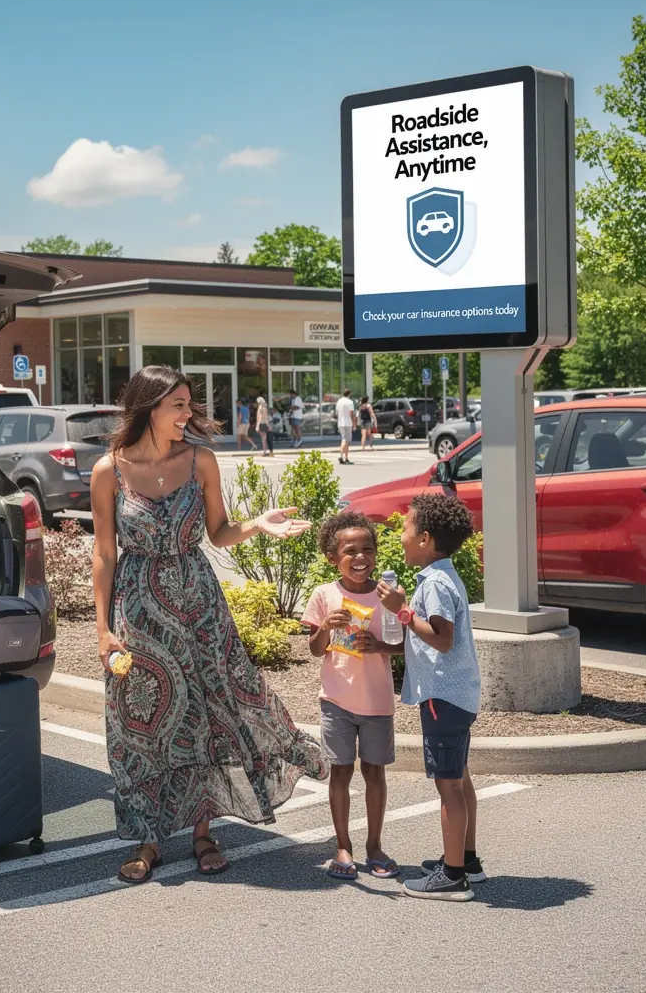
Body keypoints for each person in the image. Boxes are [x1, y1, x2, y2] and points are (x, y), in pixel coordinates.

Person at [90, 365, 327, 884]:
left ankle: (203, 830)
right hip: (137, 606)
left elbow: (218, 533)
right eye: (178, 404)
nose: (188, 413)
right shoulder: (109, 470)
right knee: (138, 721)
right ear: (149, 407)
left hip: (199, 606)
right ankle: (146, 837)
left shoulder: (201, 461)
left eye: (189, 404)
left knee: (203, 712)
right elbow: (104, 553)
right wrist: (104, 630)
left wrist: (258, 525)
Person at [377, 494, 483, 902]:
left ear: (423, 538)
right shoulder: (441, 576)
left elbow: (441, 639)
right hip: (457, 694)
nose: (399, 537)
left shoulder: (434, 584)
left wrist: (402, 611)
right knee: (461, 779)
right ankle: (465, 858)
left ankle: (453, 877)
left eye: (404, 529)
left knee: (448, 788)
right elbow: (432, 639)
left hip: (443, 697)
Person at [302, 511, 401, 881]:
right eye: (350, 551)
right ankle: (343, 845)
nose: (360, 557)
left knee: (375, 774)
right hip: (336, 701)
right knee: (340, 773)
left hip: (376, 701)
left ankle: (374, 845)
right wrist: (325, 628)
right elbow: (315, 649)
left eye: (367, 549)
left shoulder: (386, 596)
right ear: (333, 557)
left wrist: (378, 645)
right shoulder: (324, 595)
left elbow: (402, 643)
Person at [335, 388, 356, 465]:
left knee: (344, 440)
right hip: (347, 423)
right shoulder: (350, 402)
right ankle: (341, 456)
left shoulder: (339, 401)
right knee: (346, 440)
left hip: (340, 423)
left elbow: (337, 413)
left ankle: (346, 458)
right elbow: (351, 414)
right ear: (349, 394)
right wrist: (354, 424)